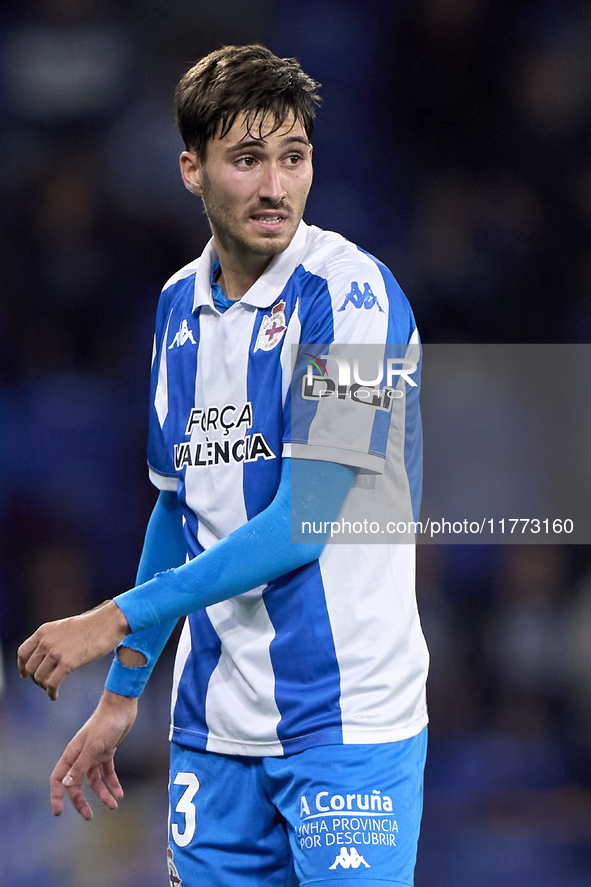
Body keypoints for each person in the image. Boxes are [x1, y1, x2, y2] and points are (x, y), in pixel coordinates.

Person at [18, 44, 429, 887]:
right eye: (247, 159)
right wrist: (125, 691)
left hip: (345, 726)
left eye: (294, 157)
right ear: (191, 170)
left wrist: (113, 619)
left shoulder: (355, 299)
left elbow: (304, 518)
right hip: (212, 730)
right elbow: (177, 508)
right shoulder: (176, 307)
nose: (276, 186)